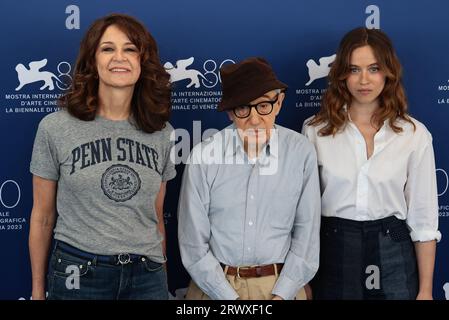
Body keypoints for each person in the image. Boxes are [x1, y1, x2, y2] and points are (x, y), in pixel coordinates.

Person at [28, 13, 175, 300]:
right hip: (78, 273)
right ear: (93, 62)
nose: (119, 57)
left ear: (143, 62)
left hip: (147, 274)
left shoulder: (161, 132)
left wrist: (161, 277)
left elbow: (156, 217)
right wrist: (37, 290)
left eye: (130, 49)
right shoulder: (55, 127)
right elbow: (43, 217)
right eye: (108, 49)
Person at [302, 27, 441, 300]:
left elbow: (424, 221)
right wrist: (301, 280)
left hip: (394, 251)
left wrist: (425, 291)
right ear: (341, 74)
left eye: (374, 68)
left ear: (388, 72)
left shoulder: (415, 135)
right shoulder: (315, 131)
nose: (363, 80)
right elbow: (303, 217)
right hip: (333, 252)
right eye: (354, 69)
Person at [178, 57, 321, 300]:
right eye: (243, 108)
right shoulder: (204, 156)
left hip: (281, 287)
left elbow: (307, 235)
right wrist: (229, 299)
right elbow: (193, 246)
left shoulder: (300, 151)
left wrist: (284, 293)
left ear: (279, 103)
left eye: (263, 105)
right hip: (215, 289)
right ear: (230, 113)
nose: (254, 119)